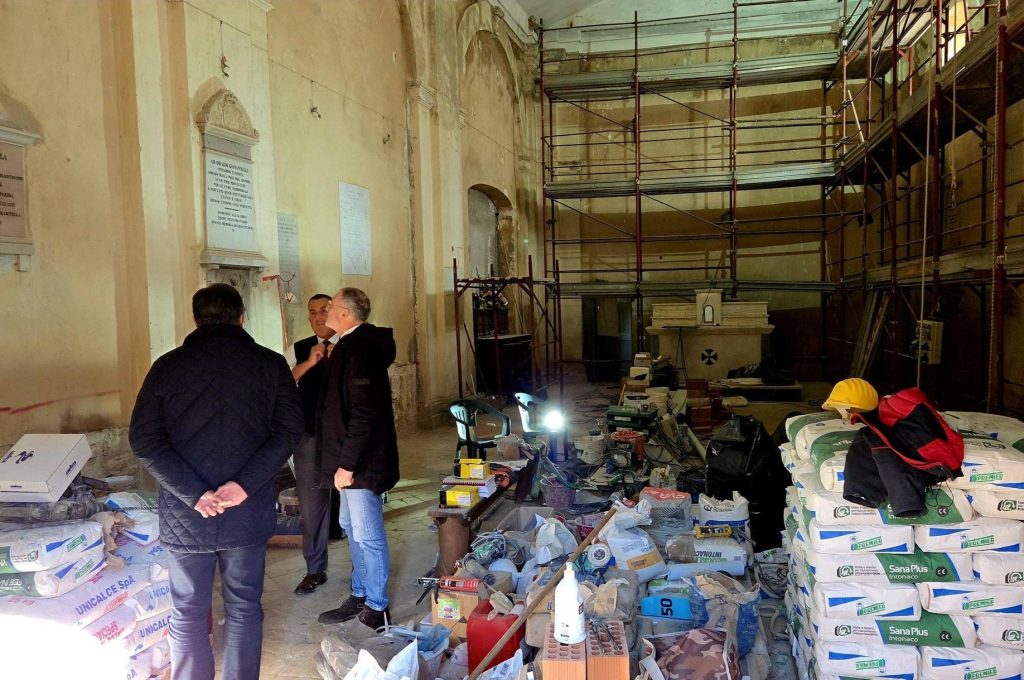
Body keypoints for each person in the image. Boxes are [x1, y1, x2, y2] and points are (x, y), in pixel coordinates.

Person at [129, 283, 303, 680]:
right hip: (247, 508)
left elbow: (144, 440)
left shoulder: (168, 367)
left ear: (195, 319)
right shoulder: (269, 364)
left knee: (187, 612)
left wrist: (195, 494)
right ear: (242, 317)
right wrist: (243, 485)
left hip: (187, 515)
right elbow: (289, 430)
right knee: (244, 607)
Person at [316, 287, 399, 629]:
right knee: (351, 527)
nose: (325, 313)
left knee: (367, 533)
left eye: (331, 307)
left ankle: (377, 607)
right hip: (348, 461)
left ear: (346, 314)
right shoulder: (349, 345)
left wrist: (347, 464)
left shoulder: (360, 348)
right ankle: (361, 593)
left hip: (361, 463)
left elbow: (364, 412)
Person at [282, 293, 341, 595]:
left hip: (344, 438)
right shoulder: (299, 348)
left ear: (336, 313)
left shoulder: (351, 345)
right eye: (313, 312)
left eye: (324, 310)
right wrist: (310, 361)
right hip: (309, 437)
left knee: (354, 506)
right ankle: (315, 569)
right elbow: (284, 382)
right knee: (312, 505)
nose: (319, 317)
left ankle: (364, 572)